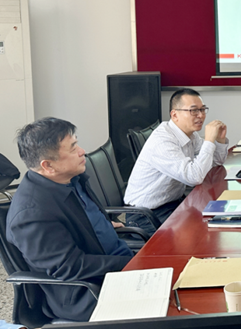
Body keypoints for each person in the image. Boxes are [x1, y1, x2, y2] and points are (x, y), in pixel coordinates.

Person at [7, 117, 133, 322]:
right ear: (48, 165)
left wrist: (101, 225)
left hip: (114, 265)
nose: (82, 151)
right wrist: (131, 264)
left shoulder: (70, 178)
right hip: (87, 292)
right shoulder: (31, 214)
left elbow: (79, 219)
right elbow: (70, 266)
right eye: (73, 148)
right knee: (175, 308)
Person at [124, 88, 229, 234]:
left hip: (173, 204)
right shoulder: (163, 141)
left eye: (202, 109)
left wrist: (219, 140)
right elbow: (194, 177)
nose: (200, 115)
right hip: (146, 215)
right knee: (204, 232)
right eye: (194, 110)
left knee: (221, 218)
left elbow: (215, 162)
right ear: (174, 115)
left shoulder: (189, 134)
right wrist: (209, 141)